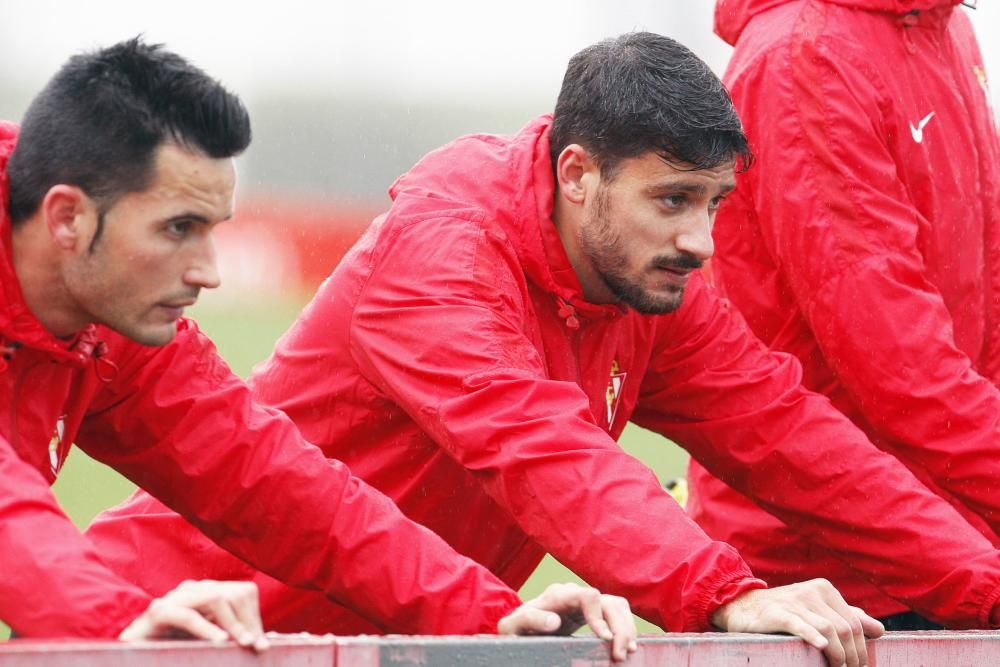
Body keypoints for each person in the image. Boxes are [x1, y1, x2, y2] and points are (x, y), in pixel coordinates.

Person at [89, 31, 1000, 667]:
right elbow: (543, 451)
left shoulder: (642, 278)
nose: (702, 241)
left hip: (410, 639)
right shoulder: (445, 254)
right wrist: (724, 588)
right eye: (675, 199)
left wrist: (985, 581)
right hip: (176, 637)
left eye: (716, 203)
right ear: (576, 174)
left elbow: (792, 436)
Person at [0, 37, 642, 661]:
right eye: (178, 229)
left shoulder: (118, 324)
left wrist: (488, 613)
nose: (208, 271)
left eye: (212, 230)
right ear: (66, 218)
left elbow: (279, 485)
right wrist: (113, 620)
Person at [684, 0, 1000, 632]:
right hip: (840, 584)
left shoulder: (941, 24)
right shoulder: (809, 56)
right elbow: (901, 370)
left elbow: (983, 289)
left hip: (960, 539)